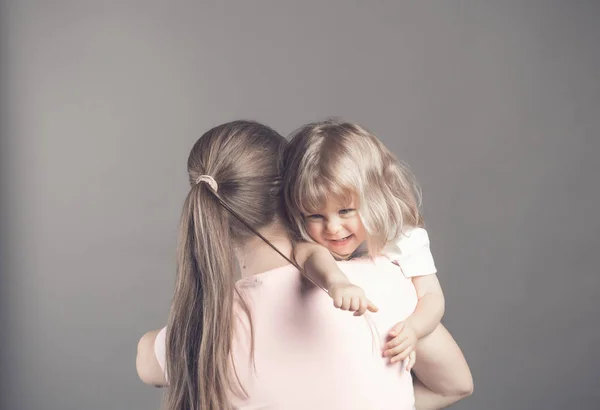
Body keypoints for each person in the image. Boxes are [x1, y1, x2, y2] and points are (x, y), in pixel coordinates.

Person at [136, 120, 473, 410]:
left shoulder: (206, 328)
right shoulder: (382, 284)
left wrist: (185, 328)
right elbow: (455, 384)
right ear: (295, 195)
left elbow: (144, 361)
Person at [282, 120, 444, 368]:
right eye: (315, 216)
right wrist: (337, 281)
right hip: (341, 351)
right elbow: (310, 255)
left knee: (455, 382)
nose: (333, 228)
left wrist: (413, 329)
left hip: (398, 339)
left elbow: (432, 296)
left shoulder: (403, 238)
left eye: (346, 211)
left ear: (374, 198)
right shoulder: (308, 243)